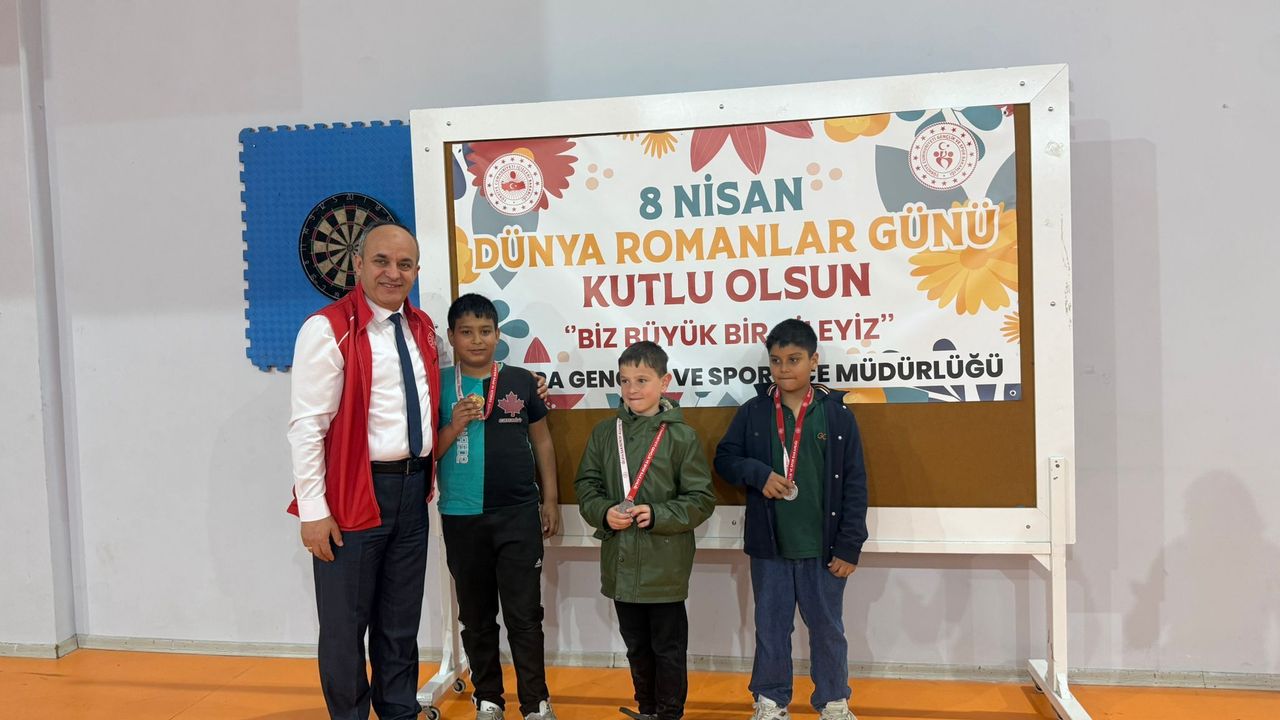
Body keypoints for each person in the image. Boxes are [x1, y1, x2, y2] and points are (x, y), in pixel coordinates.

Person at [287, 223, 439, 720]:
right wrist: (313, 511)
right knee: (344, 627)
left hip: (413, 491)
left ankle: (399, 711)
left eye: (405, 264)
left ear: (416, 271)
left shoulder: (421, 327)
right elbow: (307, 427)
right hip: (354, 493)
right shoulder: (326, 328)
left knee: (400, 622)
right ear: (357, 264)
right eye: (381, 261)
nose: (393, 273)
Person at [714, 319, 869, 720]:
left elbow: (856, 483)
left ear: (814, 361)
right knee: (771, 627)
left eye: (794, 359)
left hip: (824, 549)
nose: (784, 369)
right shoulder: (753, 412)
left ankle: (834, 701)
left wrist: (850, 544)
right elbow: (725, 459)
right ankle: (770, 700)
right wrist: (758, 474)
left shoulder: (837, 415)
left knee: (828, 628)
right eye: (776, 360)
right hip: (771, 547)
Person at [435, 292, 561, 720]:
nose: (476, 340)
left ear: (498, 335)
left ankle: (536, 702)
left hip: (518, 515)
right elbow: (428, 452)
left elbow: (543, 442)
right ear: (451, 336)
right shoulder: (438, 385)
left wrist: (550, 499)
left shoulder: (522, 381)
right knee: (476, 616)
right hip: (462, 516)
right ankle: (488, 698)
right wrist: (454, 424)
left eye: (485, 331)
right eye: (466, 332)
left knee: (525, 615)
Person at [574, 341, 716, 720]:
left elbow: (701, 499)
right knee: (636, 645)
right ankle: (647, 710)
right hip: (620, 561)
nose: (632, 389)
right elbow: (586, 486)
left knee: (668, 648)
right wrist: (604, 513)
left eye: (642, 380)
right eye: (624, 381)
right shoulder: (605, 433)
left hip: (665, 565)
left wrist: (657, 514)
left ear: (664, 382)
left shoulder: (681, 437)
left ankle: (669, 714)